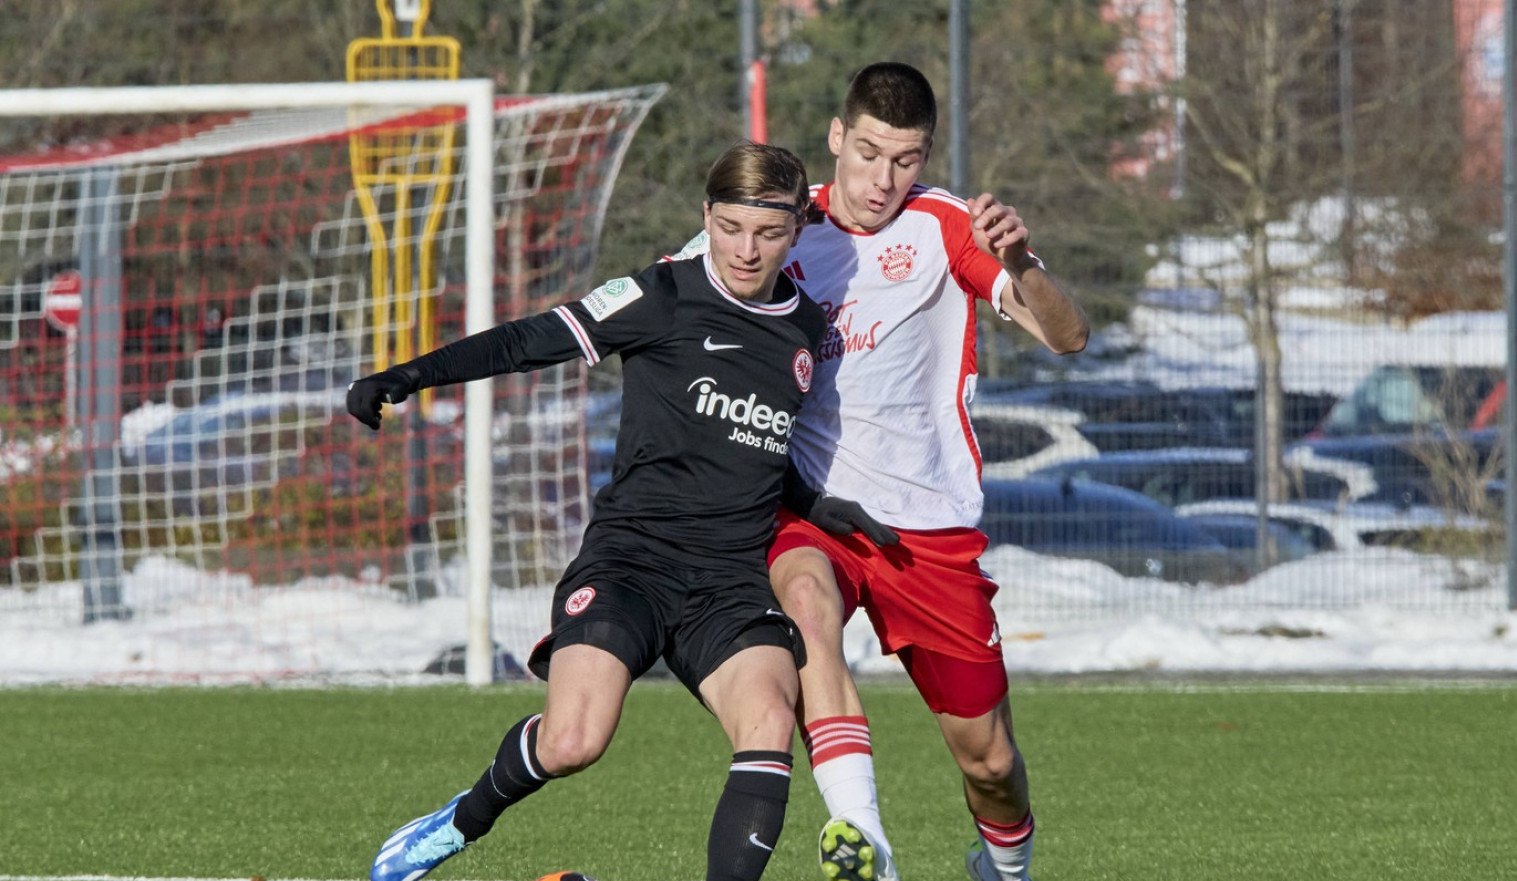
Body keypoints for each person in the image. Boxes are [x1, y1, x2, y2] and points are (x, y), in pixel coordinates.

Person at [350, 141, 848, 881]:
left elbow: (761, 458)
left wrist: (835, 512)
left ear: (797, 230)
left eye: (768, 234)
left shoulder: (806, 330)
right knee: (572, 741)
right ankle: (460, 821)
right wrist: (412, 373)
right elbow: (529, 339)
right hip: (632, 561)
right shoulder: (661, 295)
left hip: (730, 578)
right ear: (705, 217)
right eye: (731, 227)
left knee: (772, 722)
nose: (747, 250)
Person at [671, 62, 1090, 881]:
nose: (881, 178)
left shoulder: (945, 226)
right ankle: (865, 838)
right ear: (836, 137)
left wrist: (1024, 261)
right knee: (805, 605)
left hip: (927, 530)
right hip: (813, 513)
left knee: (989, 762)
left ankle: (1004, 867)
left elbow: (1066, 337)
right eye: (867, 153)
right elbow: (672, 288)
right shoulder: (782, 224)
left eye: (905, 158)